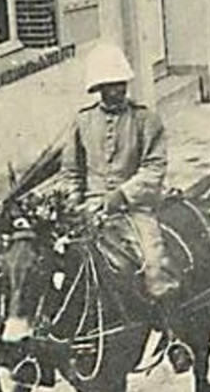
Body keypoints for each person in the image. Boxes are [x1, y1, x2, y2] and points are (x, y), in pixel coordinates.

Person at [60, 43, 185, 349]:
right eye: (108, 86)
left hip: (134, 210)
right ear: (97, 89)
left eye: (120, 85)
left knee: (154, 262)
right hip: (88, 210)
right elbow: (70, 171)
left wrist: (119, 197)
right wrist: (75, 203)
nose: (115, 91)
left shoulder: (146, 120)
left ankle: (173, 337)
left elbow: (154, 169)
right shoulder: (82, 122)